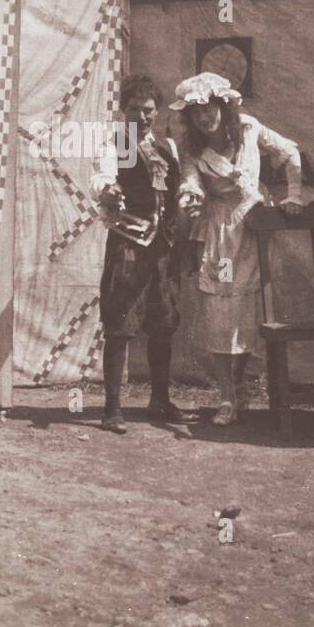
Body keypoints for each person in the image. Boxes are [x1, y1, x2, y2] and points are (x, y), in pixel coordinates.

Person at [173, 72, 304, 426]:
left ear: (224, 105)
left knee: (249, 312)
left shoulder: (249, 128)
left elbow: (289, 152)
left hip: (255, 228)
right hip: (220, 231)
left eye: (211, 107)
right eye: (197, 111)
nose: (205, 116)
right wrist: (192, 198)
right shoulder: (191, 148)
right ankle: (227, 395)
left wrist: (292, 194)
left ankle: (241, 385)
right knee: (219, 312)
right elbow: (190, 180)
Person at [91, 74, 190, 433]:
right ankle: (112, 408)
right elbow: (101, 176)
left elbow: (175, 189)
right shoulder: (115, 143)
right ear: (123, 111)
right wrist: (109, 191)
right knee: (120, 322)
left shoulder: (168, 146)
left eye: (148, 110)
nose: (142, 116)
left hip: (162, 246)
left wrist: (186, 201)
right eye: (134, 109)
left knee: (162, 323)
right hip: (129, 241)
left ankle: (159, 401)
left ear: (157, 111)